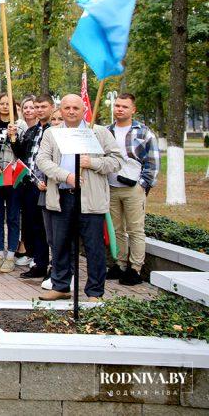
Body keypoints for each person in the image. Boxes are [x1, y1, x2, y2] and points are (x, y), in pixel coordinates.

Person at [36, 94, 122, 301]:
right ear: (60, 110)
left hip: (90, 198)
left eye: (76, 108)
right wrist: (66, 176)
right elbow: (42, 160)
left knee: (94, 246)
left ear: (83, 110)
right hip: (62, 196)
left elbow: (117, 161)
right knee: (60, 244)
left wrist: (92, 163)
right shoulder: (52, 133)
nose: (71, 111)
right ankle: (61, 285)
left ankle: (95, 292)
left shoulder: (98, 132)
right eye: (67, 108)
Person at [105, 93, 159, 286]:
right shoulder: (107, 131)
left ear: (133, 110)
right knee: (116, 229)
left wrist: (142, 185)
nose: (119, 109)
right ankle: (119, 264)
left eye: (124, 106)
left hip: (133, 188)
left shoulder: (144, 133)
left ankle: (135, 268)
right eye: (117, 105)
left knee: (135, 229)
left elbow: (152, 162)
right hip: (111, 187)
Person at [12, 93, 55, 280]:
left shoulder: (55, 131)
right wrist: (13, 138)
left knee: (48, 229)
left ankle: (54, 267)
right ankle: (39, 263)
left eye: (43, 107)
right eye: (37, 107)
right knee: (34, 226)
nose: (39, 110)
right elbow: (21, 155)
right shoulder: (32, 131)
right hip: (30, 185)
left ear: (52, 107)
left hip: (47, 185)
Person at [0, 93, 27, 273]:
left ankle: (11, 254)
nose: (4, 106)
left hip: (14, 177)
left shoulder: (21, 125)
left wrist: (14, 138)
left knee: (12, 217)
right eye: (1, 103)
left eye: (8, 104)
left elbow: (23, 153)